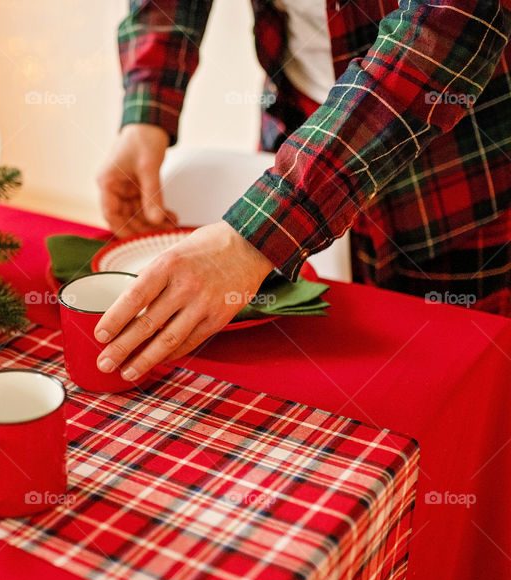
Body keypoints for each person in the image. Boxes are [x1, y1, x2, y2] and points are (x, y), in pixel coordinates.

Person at [94, 0, 511, 384]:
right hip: (297, 132)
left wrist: (256, 235)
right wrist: (146, 110)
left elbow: (448, 23)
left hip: (456, 168)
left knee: (446, 381)